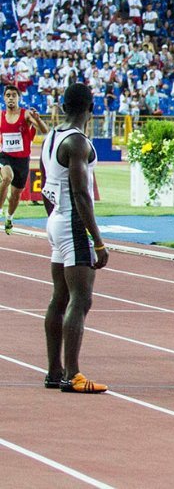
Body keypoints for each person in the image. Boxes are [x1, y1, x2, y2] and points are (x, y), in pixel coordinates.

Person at [40, 83, 109, 393]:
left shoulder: (52, 136)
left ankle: (55, 371)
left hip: (56, 219)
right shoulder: (78, 142)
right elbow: (81, 193)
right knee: (81, 298)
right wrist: (98, 240)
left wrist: (52, 218)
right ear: (90, 108)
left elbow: (47, 185)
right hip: (73, 224)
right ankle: (73, 374)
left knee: (60, 297)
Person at [1, 85, 48, 233]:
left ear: (19, 98)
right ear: (4, 98)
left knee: (16, 195)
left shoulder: (26, 114)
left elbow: (45, 131)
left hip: (22, 160)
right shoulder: (1, 116)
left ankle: (9, 218)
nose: (10, 98)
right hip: (5, 156)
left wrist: (38, 120)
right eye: (8, 95)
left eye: (14, 95)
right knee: (7, 177)